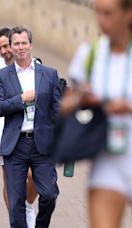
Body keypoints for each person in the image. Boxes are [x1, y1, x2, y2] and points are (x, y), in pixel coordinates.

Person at [63, 0, 132, 227]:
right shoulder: (91, 53)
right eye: (98, 13)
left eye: (109, 13)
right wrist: (82, 98)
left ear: (128, 13)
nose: (101, 20)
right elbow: (65, 104)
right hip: (107, 159)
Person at [0, 26, 61, 228]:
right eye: (16, 44)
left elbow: (57, 111)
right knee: (15, 205)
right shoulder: (2, 76)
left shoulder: (49, 74)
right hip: (16, 145)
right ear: (10, 47)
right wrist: (21, 99)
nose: (20, 47)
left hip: (43, 144)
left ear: (30, 45)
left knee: (49, 195)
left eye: (24, 43)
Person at [0, 28, 38, 228]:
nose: (3, 51)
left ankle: (27, 206)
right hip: (2, 129)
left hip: (29, 126)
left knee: (33, 175)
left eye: (5, 46)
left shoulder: (34, 65)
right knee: (9, 179)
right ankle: (16, 219)